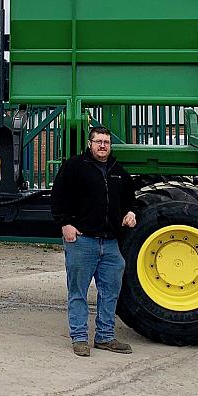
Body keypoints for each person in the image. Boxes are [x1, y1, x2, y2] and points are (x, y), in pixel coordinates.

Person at [50, 126, 138, 356]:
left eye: (106, 142)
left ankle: (105, 337)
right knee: (78, 291)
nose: (102, 146)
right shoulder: (74, 167)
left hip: (110, 243)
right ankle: (79, 338)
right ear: (90, 144)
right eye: (98, 141)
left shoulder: (118, 170)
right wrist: (65, 224)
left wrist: (131, 212)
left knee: (110, 292)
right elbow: (57, 196)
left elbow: (131, 197)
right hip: (82, 241)